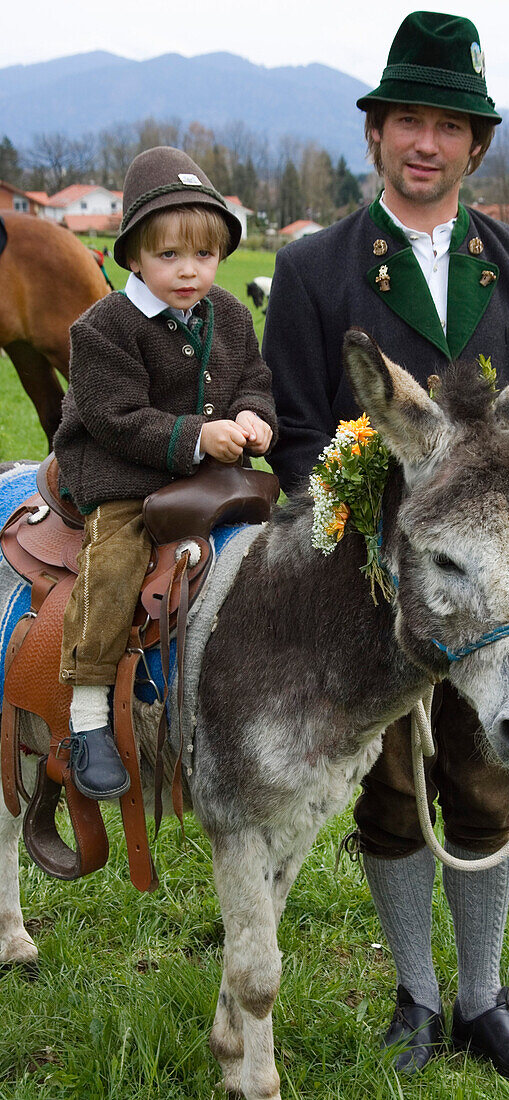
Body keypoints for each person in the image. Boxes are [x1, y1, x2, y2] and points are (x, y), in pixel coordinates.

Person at [263, 11, 509, 1086]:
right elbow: (302, 431)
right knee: (391, 792)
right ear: (375, 133)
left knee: (489, 781)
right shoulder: (313, 270)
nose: (426, 142)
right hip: (371, 593)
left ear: (475, 147)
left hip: (499, 595)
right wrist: (366, 500)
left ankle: (482, 999)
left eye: (448, 125)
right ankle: (413, 993)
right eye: (407, 118)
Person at [54, 146, 277, 801]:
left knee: (267, 554)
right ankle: (88, 713)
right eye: (169, 256)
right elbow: (115, 416)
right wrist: (196, 435)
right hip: (122, 473)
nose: (188, 271)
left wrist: (254, 416)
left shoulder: (230, 315)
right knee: (118, 558)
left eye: (203, 256)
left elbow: (255, 381)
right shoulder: (103, 327)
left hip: (207, 476)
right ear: (133, 257)